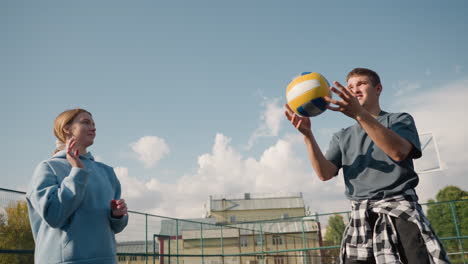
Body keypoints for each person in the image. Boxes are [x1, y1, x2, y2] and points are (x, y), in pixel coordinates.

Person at [285, 68, 449, 264]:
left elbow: (398, 152)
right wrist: (307, 136)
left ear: (378, 89)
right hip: (360, 218)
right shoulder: (342, 136)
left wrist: (359, 115)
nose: (355, 89)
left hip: (400, 213)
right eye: (351, 86)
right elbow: (325, 173)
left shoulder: (398, 120)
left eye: (361, 83)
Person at [26, 108, 128, 264]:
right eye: (86, 122)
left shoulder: (107, 172)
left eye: (94, 124)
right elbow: (54, 216)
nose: (93, 127)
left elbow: (117, 227)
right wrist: (77, 172)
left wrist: (117, 215)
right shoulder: (48, 168)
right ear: (66, 128)